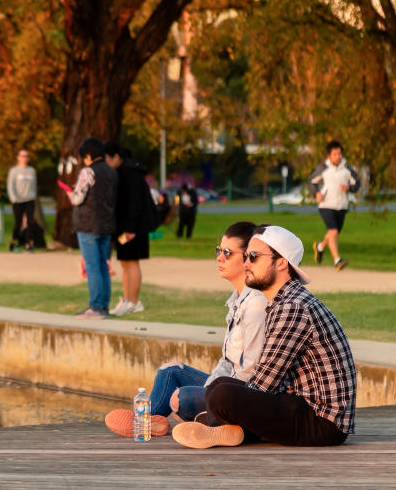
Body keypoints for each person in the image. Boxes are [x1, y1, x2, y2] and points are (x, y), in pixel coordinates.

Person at [173, 225, 356, 449]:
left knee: (222, 395)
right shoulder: (282, 302)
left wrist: (226, 404)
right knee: (218, 386)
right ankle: (231, 431)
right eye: (247, 256)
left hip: (323, 423)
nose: (246, 263)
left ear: (281, 263)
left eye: (254, 256)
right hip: (300, 405)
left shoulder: (292, 307)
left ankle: (222, 428)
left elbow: (265, 384)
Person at [106, 221, 266, 437]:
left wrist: (211, 392)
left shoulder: (256, 303)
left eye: (227, 253)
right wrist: (211, 385)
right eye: (219, 250)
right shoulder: (236, 300)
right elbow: (227, 361)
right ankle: (149, 421)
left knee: (181, 398)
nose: (219, 258)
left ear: (248, 257)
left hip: (240, 394)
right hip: (225, 385)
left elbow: (251, 369)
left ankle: (203, 422)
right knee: (171, 370)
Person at [64, 138, 117, 320]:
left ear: (88, 156)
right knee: (103, 265)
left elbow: (78, 198)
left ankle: (95, 306)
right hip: (107, 224)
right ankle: (104, 306)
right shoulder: (111, 172)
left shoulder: (88, 172)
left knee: (92, 266)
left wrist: (71, 193)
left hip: (88, 225)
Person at [105, 145, 152, 316]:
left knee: (132, 262)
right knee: (125, 262)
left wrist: (131, 228)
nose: (107, 163)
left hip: (133, 228)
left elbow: (134, 203)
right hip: (124, 227)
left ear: (117, 157)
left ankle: (134, 301)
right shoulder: (123, 172)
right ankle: (127, 299)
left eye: (108, 159)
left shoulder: (130, 173)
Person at [310, 140, 360, 271]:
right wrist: (316, 193)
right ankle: (337, 261)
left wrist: (349, 188)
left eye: (339, 154)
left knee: (333, 234)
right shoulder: (323, 169)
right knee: (333, 231)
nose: (338, 156)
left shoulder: (348, 169)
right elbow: (312, 181)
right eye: (335, 154)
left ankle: (319, 247)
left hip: (341, 206)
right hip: (326, 205)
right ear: (329, 156)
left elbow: (357, 184)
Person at [7, 149, 38, 252]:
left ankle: (29, 243)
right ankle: (13, 240)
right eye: (22, 156)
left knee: (29, 221)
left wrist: (33, 196)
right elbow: (10, 185)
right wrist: (13, 198)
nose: (24, 158)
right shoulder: (14, 171)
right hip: (18, 200)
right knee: (18, 223)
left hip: (29, 199)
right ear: (18, 157)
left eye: (26, 156)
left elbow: (34, 185)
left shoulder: (31, 171)